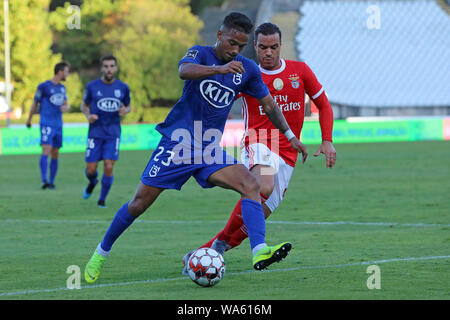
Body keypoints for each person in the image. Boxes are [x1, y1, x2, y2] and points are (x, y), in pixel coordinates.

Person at [84, 12, 307, 284]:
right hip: (179, 143)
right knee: (139, 204)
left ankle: (259, 250)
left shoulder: (247, 68)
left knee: (252, 185)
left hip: (208, 147)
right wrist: (219, 69)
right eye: (231, 43)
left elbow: (269, 105)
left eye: (240, 45)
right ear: (219, 35)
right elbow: (183, 71)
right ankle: (101, 252)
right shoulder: (199, 54)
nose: (235, 50)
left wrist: (288, 134)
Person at [186, 22, 336, 267]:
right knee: (263, 185)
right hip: (260, 141)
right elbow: (217, 101)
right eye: (263, 47)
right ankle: (259, 249)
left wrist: (327, 140)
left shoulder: (300, 71)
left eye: (274, 47)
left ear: (280, 46)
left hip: (288, 152)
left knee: (249, 221)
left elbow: (324, 104)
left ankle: (205, 253)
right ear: (254, 46)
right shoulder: (245, 73)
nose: (268, 52)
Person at [81, 55, 131, 208]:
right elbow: (84, 105)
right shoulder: (92, 86)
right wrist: (89, 116)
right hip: (95, 132)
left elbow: (128, 106)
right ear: (102, 68)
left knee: (109, 165)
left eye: (111, 66)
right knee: (91, 169)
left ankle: (101, 200)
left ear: (115, 68)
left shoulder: (123, 87)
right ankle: (92, 181)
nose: (109, 69)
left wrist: (125, 110)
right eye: (106, 66)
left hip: (113, 132)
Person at [26, 62, 70, 189]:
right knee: (46, 149)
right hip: (46, 123)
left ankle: (51, 182)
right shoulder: (44, 86)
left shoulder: (62, 88)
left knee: (55, 152)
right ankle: (44, 180)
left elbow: (66, 103)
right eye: (66, 71)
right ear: (60, 72)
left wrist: (66, 107)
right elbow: (35, 103)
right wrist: (29, 119)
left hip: (58, 124)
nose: (67, 74)